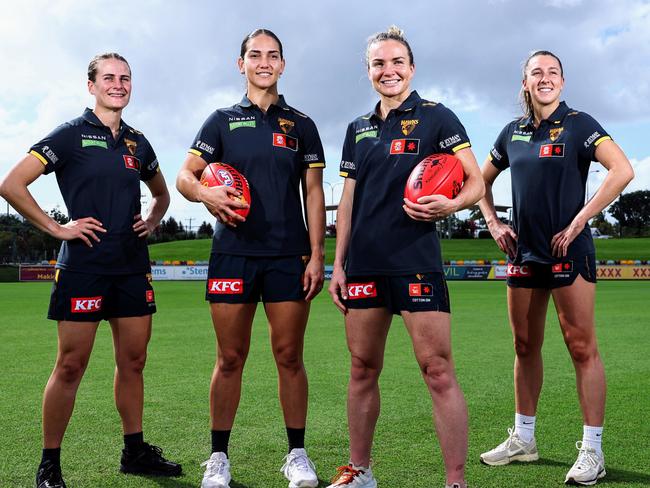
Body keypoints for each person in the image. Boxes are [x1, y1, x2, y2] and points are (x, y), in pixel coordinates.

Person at [0, 53, 181, 488]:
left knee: (133, 361)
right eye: (109, 78)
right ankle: (49, 465)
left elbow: (162, 194)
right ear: (92, 86)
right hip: (83, 268)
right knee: (70, 366)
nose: (118, 85)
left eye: (125, 78)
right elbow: (11, 184)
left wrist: (153, 220)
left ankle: (134, 452)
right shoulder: (69, 135)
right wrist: (57, 228)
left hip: (132, 268)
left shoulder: (139, 142)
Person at [326, 26, 485, 488]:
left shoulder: (439, 117)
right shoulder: (357, 129)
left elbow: (474, 181)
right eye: (379, 63)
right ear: (368, 71)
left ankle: (455, 482)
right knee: (361, 368)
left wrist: (452, 205)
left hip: (416, 261)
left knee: (437, 371)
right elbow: (349, 199)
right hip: (365, 265)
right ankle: (360, 472)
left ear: (411, 68)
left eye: (397, 62)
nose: (388, 70)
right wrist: (339, 263)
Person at [176, 28, 326, 488]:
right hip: (233, 254)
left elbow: (314, 192)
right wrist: (205, 194)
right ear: (240, 63)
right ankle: (218, 458)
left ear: (283, 65)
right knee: (229, 357)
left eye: (273, 55)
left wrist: (317, 253)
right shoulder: (219, 121)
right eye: (255, 55)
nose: (264, 62)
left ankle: (297, 454)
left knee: (289, 356)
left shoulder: (301, 124)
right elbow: (185, 175)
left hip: (287, 255)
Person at [477, 50, 634, 486]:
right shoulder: (513, 132)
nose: (544, 79)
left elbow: (622, 170)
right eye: (536, 73)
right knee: (524, 346)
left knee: (581, 348)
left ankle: (592, 451)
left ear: (562, 82)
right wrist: (493, 222)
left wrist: (580, 220)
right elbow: (478, 181)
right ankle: (524, 440)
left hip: (569, 250)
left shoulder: (580, 124)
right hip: (524, 253)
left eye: (552, 72)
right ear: (525, 82)